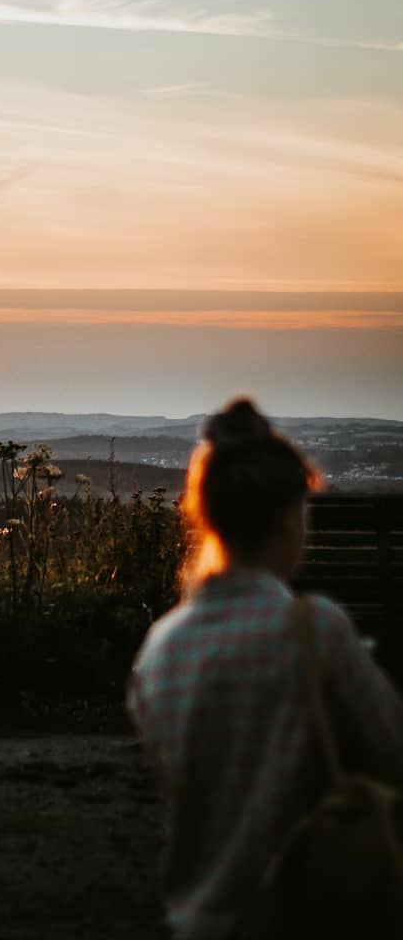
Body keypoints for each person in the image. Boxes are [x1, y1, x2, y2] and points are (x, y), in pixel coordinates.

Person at [127, 397, 403, 940]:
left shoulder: (160, 650)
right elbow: (391, 752)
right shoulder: (316, 631)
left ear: (205, 517)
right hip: (302, 912)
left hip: (198, 919)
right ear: (287, 517)